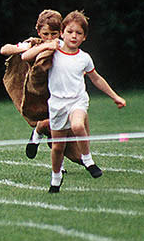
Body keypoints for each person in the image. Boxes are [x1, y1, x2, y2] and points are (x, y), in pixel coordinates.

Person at [21, 11, 126, 193]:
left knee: (78, 125)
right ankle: (56, 179)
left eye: (78, 33)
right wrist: (48, 46)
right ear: (62, 32)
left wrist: (115, 96)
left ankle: (88, 160)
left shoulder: (84, 58)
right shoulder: (54, 50)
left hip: (77, 101)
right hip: (57, 105)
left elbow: (96, 79)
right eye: (70, 32)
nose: (74, 36)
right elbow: (25, 56)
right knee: (57, 148)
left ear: (84, 37)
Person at [0, 9, 61, 158]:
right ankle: (39, 133)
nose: (50, 38)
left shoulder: (64, 45)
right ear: (39, 31)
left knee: (58, 133)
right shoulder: (35, 44)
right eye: (45, 34)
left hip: (59, 91)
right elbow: (4, 50)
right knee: (54, 128)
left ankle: (40, 138)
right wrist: (22, 48)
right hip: (38, 95)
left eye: (54, 34)